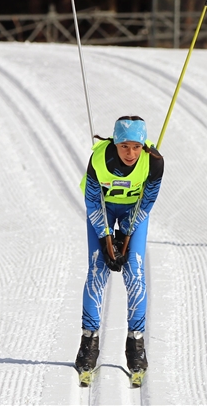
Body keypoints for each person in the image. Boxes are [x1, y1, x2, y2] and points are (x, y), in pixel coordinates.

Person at [74, 115, 164, 385]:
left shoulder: (154, 162)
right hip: (102, 208)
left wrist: (125, 232)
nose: (130, 153)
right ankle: (88, 343)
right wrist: (105, 239)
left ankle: (135, 345)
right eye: (124, 146)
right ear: (114, 142)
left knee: (134, 273)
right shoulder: (99, 160)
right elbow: (92, 201)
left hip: (134, 212)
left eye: (136, 147)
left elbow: (147, 201)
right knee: (97, 271)